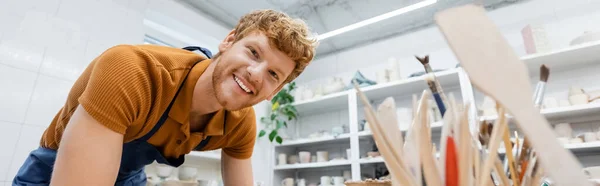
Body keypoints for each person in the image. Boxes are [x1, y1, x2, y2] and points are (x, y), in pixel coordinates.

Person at [12, 9, 317, 186]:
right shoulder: (132, 70)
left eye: (273, 75)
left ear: (274, 92)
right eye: (253, 52)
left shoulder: (240, 124)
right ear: (229, 41)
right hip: (49, 172)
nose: (256, 74)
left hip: (129, 177)